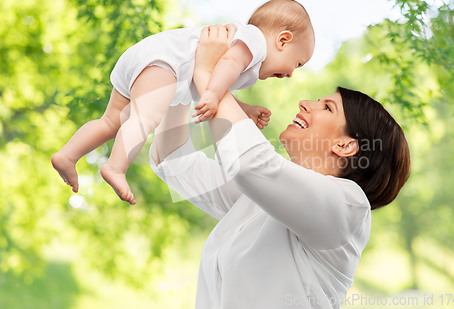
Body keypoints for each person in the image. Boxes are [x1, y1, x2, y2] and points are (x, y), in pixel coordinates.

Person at [149, 25, 411, 308]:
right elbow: (174, 160)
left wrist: (208, 74)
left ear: (346, 146)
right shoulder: (261, 202)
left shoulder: (348, 207)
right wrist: (185, 72)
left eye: (327, 108)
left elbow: (250, 162)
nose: (305, 103)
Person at [51, 0, 315, 205]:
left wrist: (244, 110)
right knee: (145, 119)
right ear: (283, 40)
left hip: (144, 57)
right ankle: (116, 167)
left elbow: (212, 79)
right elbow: (225, 67)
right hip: (165, 63)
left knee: (110, 122)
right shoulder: (255, 41)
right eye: (298, 63)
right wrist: (211, 95)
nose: (291, 73)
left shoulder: (244, 62)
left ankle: (67, 155)